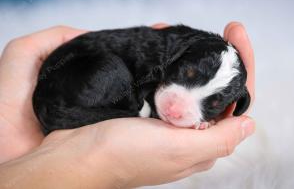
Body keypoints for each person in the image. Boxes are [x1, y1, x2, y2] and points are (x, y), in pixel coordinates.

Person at [0, 22, 255, 188]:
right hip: (70, 79)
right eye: (184, 76)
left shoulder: (182, 51)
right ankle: (126, 109)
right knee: (114, 74)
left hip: (72, 96)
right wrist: (103, 164)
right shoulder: (162, 48)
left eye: (211, 105)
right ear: (178, 56)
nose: (177, 108)